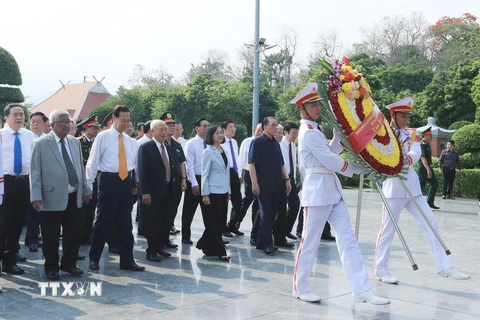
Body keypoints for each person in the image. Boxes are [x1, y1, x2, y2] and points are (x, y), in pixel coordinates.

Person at [291, 83, 389, 304]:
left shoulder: (315, 131)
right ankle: (301, 286)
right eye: (313, 105)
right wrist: (357, 168)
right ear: (302, 108)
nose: (318, 108)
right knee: (310, 242)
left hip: (331, 190)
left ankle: (361, 288)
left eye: (318, 104)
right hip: (316, 191)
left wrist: (338, 137)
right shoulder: (307, 133)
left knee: (348, 239)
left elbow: (330, 151)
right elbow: (331, 160)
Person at [375, 97, 469, 285]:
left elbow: (416, 152)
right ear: (393, 115)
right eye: (403, 115)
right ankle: (381, 269)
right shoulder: (383, 134)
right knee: (388, 230)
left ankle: (444, 265)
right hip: (393, 189)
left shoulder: (412, 134)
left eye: (408, 116)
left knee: (431, 223)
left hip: (412, 189)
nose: (406, 119)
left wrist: (406, 160)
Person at [30, 109, 92, 280]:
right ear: (52, 125)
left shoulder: (74, 142)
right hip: (51, 197)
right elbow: (35, 172)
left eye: (69, 121)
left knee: (74, 234)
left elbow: (80, 167)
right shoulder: (41, 143)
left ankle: (69, 264)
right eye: (63, 121)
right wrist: (36, 195)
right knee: (50, 236)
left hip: (74, 196)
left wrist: (85, 189)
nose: (68, 125)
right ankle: (51, 267)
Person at [86, 105, 145, 272]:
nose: (126, 124)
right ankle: (94, 258)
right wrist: (89, 185)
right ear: (114, 118)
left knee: (125, 223)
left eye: (128, 120)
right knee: (103, 221)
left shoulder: (131, 141)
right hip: (108, 181)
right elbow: (92, 162)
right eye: (122, 120)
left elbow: (133, 166)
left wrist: (134, 184)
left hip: (125, 182)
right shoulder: (103, 137)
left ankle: (127, 260)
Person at [249, 116, 292, 255]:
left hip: (277, 184)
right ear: (265, 126)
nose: (275, 127)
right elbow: (252, 165)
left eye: (276, 125)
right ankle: (266, 244)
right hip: (264, 185)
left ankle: (264, 241)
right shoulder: (257, 142)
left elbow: (281, 164)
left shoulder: (276, 143)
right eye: (273, 125)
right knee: (266, 215)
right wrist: (254, 183)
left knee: (275, 214)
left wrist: (287, 179)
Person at [0, 103, 34, 275]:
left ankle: (10, 261)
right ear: (6, 118)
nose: (19, 117)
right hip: (4, 183)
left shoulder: (29, 136)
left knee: (17, 224)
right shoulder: (1, 135)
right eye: (15, 114)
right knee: (2, 224)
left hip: (23, 183)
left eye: (22, 114)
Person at [138, 120, 174, 262]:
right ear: (152, 131)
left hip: (167, 190)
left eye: (165, 129)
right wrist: (145, 192)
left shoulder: (167, 147)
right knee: (152, 222)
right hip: (152, 192)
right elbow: (142, 171)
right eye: (161, 129)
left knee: (165, 221)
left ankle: (160, 247)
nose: (164, 132)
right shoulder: (146, 147)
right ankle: (151, 250)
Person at [198, 124, 231, 261]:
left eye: (221, 133)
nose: (220, 135)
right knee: (214, 222)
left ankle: (205, 245)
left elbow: (227, 173)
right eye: (216, 133)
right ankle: (220, 251)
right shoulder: (208, 152)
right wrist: (204, 194)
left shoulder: (224, 151)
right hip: (212, 191)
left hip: (223, 190)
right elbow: (204, 174)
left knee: (219, 221)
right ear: (211, 136)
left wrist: (229, 191)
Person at [229, 123, 262, 237]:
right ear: (254, 130)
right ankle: (236, 221)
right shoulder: (247, 141)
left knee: (258, 202)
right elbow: (241, 158)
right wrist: (239, 175)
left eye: (262, 131)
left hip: (260, 174)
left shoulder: (264, 142)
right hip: (248, 172)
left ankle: (255, 227)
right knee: (248, 198)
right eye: (258, 130)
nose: (260, 133)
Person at [181, 118, 209, 244]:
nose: (207, 128)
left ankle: (211, 236)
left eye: (208, 126)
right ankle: (186, 236)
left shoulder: (210, 143)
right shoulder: (191, 143)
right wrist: (194, 183)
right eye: (204, 126)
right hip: (195, 179)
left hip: (207, 179)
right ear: (197, 128)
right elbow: (189, 165)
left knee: (209, 211)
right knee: (189, 210)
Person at [24, 111, 48, 252]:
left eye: (38, 121)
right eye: (33, 121)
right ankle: (32, 239)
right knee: (32, 211)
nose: (35, 124)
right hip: (30, 179)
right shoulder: (26, 138)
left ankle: (45, 239)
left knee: (46, 212)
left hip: (47, 181)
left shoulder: (49, 139)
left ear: (45, 124)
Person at [160, 112, 186, 241]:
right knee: (162, 213)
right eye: (168, 125)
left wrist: (184, 179)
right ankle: (159, 240)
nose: (171, 127)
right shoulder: (159, 144)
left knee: (172, 210)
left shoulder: (177, 145)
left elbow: (182, 163)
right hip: (163, 184)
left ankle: (166, 238)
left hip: (176, 184)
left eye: (172, 124)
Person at [77, 115, 101, 245]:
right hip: (83, 181)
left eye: (98, 127)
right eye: (94, 127)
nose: (97, 130)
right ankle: (80, 235)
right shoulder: (78, 142)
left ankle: (88, 234)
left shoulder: (96, 142)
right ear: (86, 127)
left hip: (95, 180)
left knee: (91, 209)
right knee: (82, 210)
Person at [220, 120, 243, 237]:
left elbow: (237, 159)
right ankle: (223, 228)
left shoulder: (234, 142)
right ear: (223, 130)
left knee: (238, 201)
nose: (233, 129)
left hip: (234, 172)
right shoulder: (220, 142)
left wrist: (239, 174)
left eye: (234, 127)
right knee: (225, 201)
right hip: (225, 172)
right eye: (230, 127)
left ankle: (232, 224)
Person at [280, 122, 301, 241]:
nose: (295, 136)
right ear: (285, 132)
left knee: (295, 205)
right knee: (281, 208)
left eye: (296, 134)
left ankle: (286, 229)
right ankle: (279, 233)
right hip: (282, 179)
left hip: (291, 179)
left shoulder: (292, 145)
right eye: (293, 133)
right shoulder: (279, 144)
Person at [418, 127, 439, 209]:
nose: (431, 137)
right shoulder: (421, 145)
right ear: (424, 135)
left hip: (428, 166)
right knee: (421, 186)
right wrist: (428, 169)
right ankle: (416, 203)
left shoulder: (427, 145)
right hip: (423, 167)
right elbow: (423, 158)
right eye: (430, 135)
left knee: (434, 183)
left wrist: (429, 168)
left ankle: (429, 202)